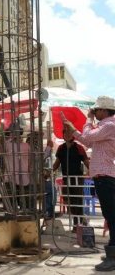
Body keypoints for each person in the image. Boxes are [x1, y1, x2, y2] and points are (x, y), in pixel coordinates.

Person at [63, 95, 115, 272]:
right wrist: (73, 130)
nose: (94, 112)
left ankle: (113, 256)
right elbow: (86, 140)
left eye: (96, 110)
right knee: (111, 215)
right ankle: (112, 252)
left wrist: (88, 119)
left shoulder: (109, 125)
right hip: (104, 176)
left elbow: (87, 136)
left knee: (112, 217)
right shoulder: (105, 127)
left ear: (104, 110)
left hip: (106, 176)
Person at [53, 129, 90, 232]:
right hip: (66, 178)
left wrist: (92, 171)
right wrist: (50, 171)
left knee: (77, 201)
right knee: (69, 201)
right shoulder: (61, 148)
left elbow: (86, 162)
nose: (68, 135)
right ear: (63, 135)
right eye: (65, 133)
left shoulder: (79, 148)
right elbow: (57, 162)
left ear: (73, 135)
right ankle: (81, 220)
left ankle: (77, 225)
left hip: (77, 179)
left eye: (69, 133)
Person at [3, 123, 30, 210]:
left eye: (16, 132)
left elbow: (31, 160)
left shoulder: (26, 146)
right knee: (10, 204)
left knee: (25, 203)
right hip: (10, 177)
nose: (14, 134)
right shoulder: (6, 144)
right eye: (12, 132)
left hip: (24, 176)